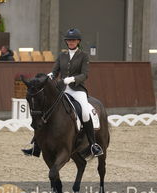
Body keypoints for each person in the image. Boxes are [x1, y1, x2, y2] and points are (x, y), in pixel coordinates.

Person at [22, 28, 104, 158]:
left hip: (77, 90)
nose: (71, 42)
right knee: (43, 110)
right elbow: (55, 71)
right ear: (66, 42)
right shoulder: (62, 56)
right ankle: (36, 146)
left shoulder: (83, 56)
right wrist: (49, 76)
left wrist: (72, 79)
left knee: (84, 111)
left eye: (73, 40)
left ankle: (93, 144)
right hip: (62, 89)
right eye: (69, 40)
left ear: (78, 41)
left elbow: (85, 74)